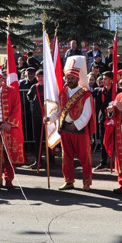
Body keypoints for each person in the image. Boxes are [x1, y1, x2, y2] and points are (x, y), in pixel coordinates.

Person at [44, 57, 96, 191]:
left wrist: (77, 124)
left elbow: (87, 114)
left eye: (72, 78)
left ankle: (86, 182)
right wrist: (50, 118)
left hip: (79, 129)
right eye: (68, 78)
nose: (70, 80)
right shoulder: (63, 92)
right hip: (65, 129)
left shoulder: (85, 94)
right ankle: (68, 181)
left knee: (84, 157)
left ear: (78, 78)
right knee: (66, 157)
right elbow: (60, 110)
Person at [93, 71, 115, 170]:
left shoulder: (116, 91)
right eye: (103, 78)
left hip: (114, 119)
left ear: (111, 80)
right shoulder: (98, 91)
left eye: (105, 78)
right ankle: (104, 162)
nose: (103, 80)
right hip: (103, 119)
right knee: (103, 141)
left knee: (115, 140)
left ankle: (117, 162)